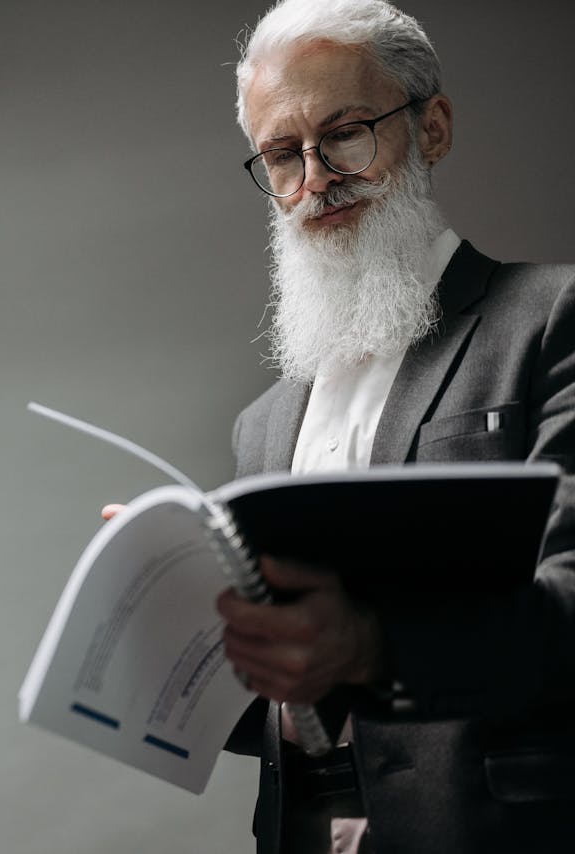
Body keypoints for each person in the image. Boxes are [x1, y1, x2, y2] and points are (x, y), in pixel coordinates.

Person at [109, 0, 575, 851]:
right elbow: (287, 709)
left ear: (430, 128)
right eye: (283, 155)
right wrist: (174, 625)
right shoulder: (264, 424)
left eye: (346, 133)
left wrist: (371, 648)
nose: (316, 179)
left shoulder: (550, 317)